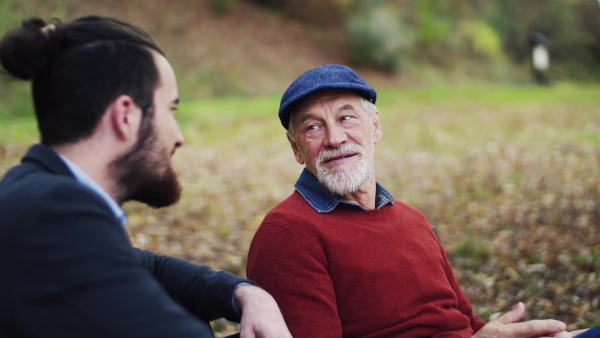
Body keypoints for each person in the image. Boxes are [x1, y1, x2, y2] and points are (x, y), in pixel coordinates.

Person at [246, 64, 590, 337]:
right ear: (296, 148)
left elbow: (465, 321)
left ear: (375, 127)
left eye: (346, 117)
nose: (335, 138)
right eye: (313, 128)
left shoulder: (410, 219)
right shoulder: (288, 235)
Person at [0, 16, 291, 338]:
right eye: (170, 110)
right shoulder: (53, 214)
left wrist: (246, 294)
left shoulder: (35, 193)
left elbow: (144, 267)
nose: (179, 137)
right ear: (125, 115)